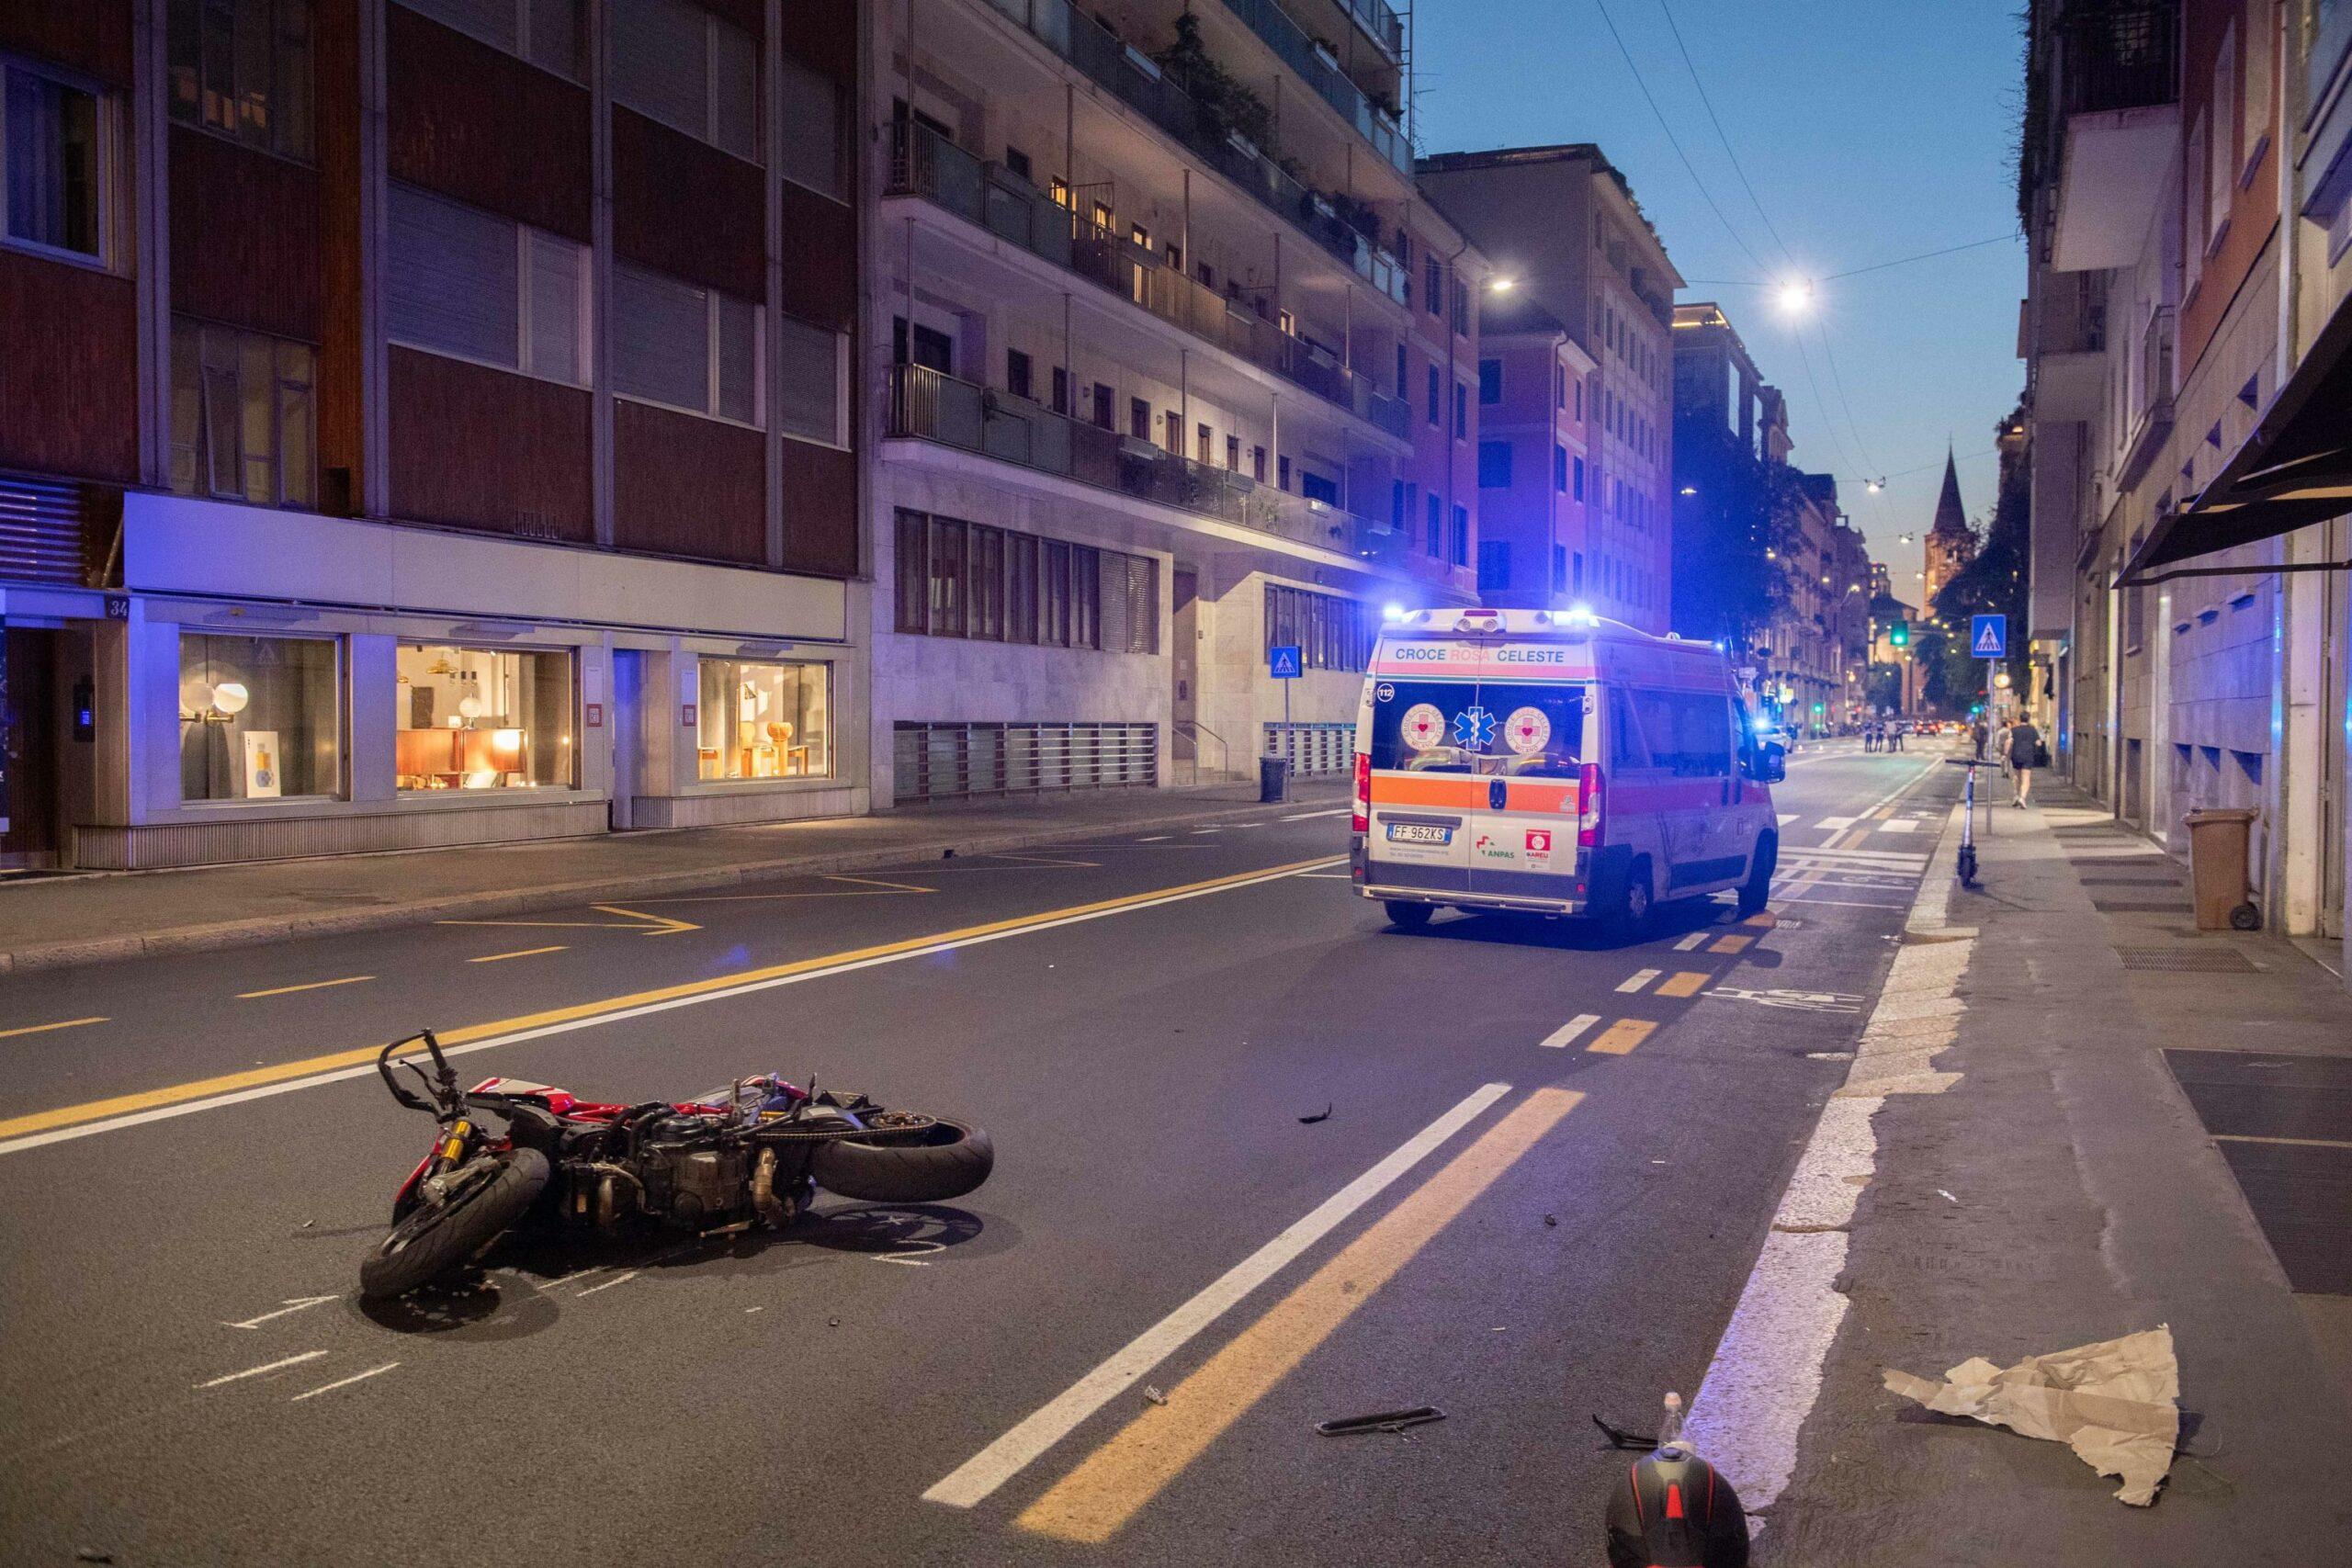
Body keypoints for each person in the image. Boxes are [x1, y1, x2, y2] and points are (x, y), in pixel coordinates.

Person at [2009, 716, 2043, 807]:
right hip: (2028, 756)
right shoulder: (2033, 730)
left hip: (2016, 755)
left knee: (2016, 776)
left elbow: (2009, 741)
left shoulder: (2014, 730)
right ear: (2028, 719)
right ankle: (2022, 798)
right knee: (2026, 778)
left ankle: (2016, 795)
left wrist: (2006, 754)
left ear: (2020, 719)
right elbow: (2038, 743)